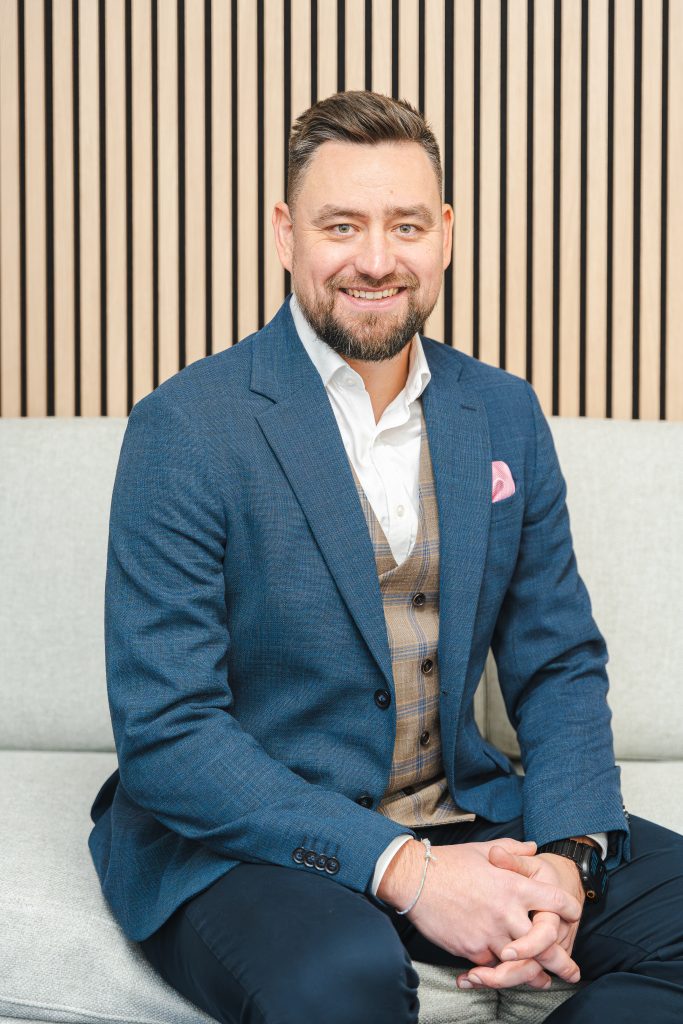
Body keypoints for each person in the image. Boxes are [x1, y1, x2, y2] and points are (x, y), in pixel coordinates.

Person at [88, 90, 683, 1023]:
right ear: (285, 234)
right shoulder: (187, 427)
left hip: (463, 808)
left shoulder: (502, 412)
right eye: (341, 226)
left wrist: (569, 859)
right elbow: (168, 733)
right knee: (341, 983)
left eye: (405, 225)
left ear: (443, 234)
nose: (375, 260)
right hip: (251, 838)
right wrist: (408, 872)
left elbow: (558, 662)